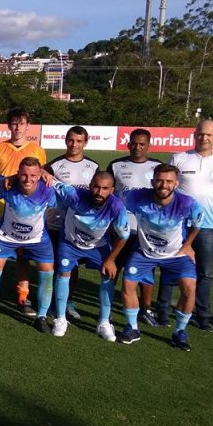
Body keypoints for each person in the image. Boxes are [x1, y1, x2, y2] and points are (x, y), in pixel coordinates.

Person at [155, 119, 213, 331]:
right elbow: (168, 186)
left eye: (209, 135)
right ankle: (163, 312)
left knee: (204, 271)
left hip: (208, 225)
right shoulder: (179, 158)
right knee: (170, 266)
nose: (204, 138)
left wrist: (209, 204)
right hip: (178, 224)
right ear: (195, 134)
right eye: (201, 133)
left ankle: (202, 315)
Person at [118, 164, 204, 350]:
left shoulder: (187, 203)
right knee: (128, 284)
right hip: (144, 252)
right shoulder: (136, 196)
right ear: (152, 182)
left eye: (169, 181)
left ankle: (180, 331)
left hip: (176, 254)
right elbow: (113, 198)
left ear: (176, 183)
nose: (164, 185)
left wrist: (188, 245)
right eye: (159, 181)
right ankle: (132, 327)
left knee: (190, 287)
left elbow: (198, 224)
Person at [0, 157, 75, 332]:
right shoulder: (8, 186)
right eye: (24, 175)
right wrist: (8, 178)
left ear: (39, 175)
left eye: (33, 175)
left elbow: (71, 196)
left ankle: (41, 317)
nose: (28, 179)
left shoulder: (47, 190)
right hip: (7, 237)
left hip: (37, 239)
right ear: (18, 174)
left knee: (47, 272)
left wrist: (52, 179)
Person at [46, 170, 130, 340]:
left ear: (112, 190)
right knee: (63, 273)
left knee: (108, 276)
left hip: (98, 246)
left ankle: (104, 322)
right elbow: (53, 182)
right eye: (96, 187)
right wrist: (43, 172)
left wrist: (111, 260)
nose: (99, 192)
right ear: (90, 186)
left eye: (105, 188)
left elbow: (123, 236)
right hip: (69, 243)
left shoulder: (117, 206)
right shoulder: (74, 195)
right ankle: (60, 318)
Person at [0, 107, 47, 316]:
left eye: (21, 123)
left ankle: (23, 296)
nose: (17, 127)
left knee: (23, 256)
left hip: (26, 212)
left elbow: (40, 177)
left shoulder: (37, 150)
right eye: (14, 123)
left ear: (28, 125)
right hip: (0, 208)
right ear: (8, 125)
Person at [107, 128, 163, 326]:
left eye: (142, 144)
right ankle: (107, 307)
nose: (137, 147)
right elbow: (108, 194)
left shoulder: (157, 167)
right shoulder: (116, 165)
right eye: (134, 143)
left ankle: (146, 309)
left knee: (146, 272)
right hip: (120, 228)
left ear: (148, 145)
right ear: (128, 144)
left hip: (147, 231)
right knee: (113, 268)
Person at [45, 125, 99, 321]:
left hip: (80, 226)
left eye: (78, 141)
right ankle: (49, 302)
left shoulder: (93, 167)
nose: (74, 144)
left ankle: (68, 302)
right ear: (66, 141)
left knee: (72, 266)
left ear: (85, 143)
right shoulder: (54, 165)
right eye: (71, 140)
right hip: (56, 224)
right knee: (52, 266)